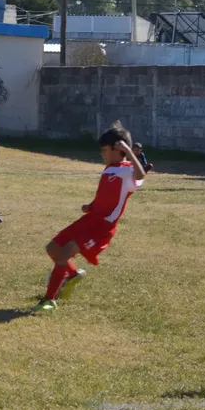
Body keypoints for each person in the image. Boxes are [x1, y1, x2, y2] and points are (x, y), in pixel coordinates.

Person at [33, 121, 146, 312]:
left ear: (118, 150)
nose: (101, 154)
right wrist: (91, 206)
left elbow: (141, 174)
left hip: (102, 228)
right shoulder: (110, 168)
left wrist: (128, 150)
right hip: (89, 220)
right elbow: (106, 197)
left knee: (63, 253)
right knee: (52, 248)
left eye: (104, 150)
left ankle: (49, 299)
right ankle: (73, 275)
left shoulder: (127, 171)